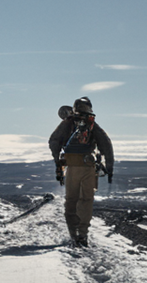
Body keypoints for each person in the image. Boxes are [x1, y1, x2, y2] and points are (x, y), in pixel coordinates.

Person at [48, 96, 113, 247]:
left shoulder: (67, 123)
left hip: (72, 166)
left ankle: (73, 233)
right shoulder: (92, 124)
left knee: (71, 200)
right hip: (89, 167)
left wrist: (57, 160)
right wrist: (109, 168)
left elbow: (53, 141)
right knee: (86, 201)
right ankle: (83, 235)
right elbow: (106, 145)